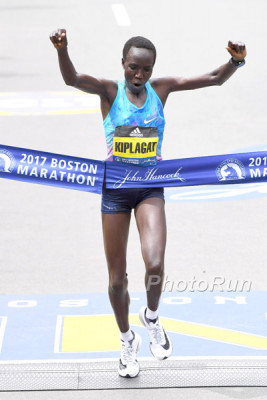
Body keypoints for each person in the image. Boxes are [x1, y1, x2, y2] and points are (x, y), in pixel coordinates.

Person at [50, 29, 246, 378]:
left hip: (150, 187)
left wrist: (235, 61)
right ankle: (127, 340)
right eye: (133, 68)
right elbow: (72, 79)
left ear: (153, 69)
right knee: (117, 280)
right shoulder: (109, 91)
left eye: (146, 70)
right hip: (115, 191)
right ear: (123, 65)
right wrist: (62, 50)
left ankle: (152, 318)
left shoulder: (162, 89)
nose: (139, 76)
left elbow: (214, 79)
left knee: (154, 265)